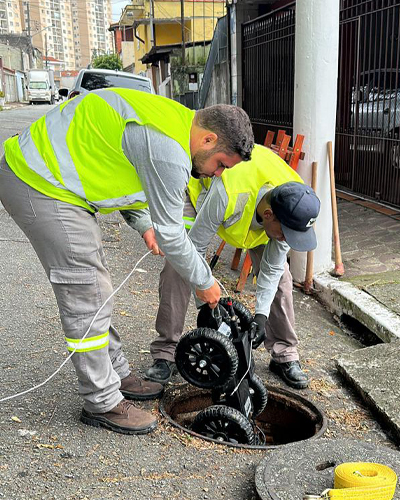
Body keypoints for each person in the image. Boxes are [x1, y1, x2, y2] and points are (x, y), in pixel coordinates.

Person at [0, 88, 254, 435]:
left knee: (94, 284)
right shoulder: (170, 150)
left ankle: (116, 373)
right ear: (208, 139)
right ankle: (102, 401)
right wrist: (205, 282)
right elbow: (173, 236)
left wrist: (144, 224)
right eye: (221, 164)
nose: (217, 174)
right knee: (86, 290)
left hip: (57, 180)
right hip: (39, 181)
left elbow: (118, 162)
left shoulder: (176, 122)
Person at [142, 144, 320, 389]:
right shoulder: (229, 193)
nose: (288, 240)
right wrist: (205, 304)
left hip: (255, 218)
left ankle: (284, 354)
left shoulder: (295, 204)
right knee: (178, 263)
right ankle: (166, 352)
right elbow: (196, 247)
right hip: (202, 194)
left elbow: (272, 268)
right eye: (285, 234)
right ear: (268, 214)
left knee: (281, 278)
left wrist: (260, 316)